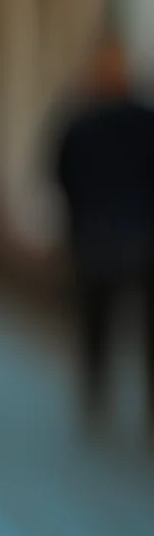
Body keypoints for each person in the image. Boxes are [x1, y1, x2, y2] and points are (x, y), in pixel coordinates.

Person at [52, 40, 154, 428]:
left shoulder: (142, 121)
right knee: (97, 323)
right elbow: (62, 173)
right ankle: (96, 396)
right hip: (97, 237)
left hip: (139, 238)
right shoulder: (81, 122)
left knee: (137, 327)